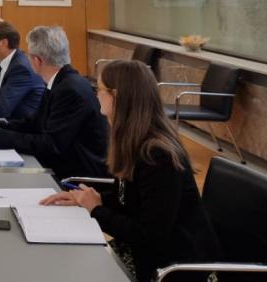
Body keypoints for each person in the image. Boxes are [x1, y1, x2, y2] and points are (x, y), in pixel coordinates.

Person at [40, 60, 221, 282]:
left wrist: (96, 209)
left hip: (175, 269)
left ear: (116, 96)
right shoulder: (135, 140)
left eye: (100, 89)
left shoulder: (157, 156)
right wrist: (90, 199)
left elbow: (149, 236)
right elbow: (131, 198)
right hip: (151, 256)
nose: (96, 94)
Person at [0, 25, 108, 179]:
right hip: (61, 163)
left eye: (29, 55)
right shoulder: (60, 80)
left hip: (76, 175)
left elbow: (51, 145)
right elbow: (35, 123)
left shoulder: (69, 90)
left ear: (37, 60)